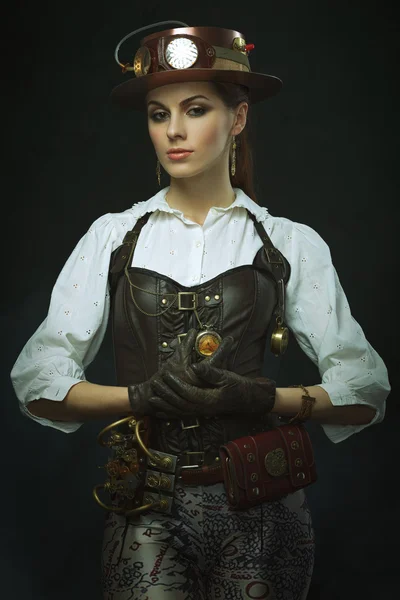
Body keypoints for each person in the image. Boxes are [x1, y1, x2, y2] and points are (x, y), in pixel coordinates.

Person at [10, 21, 390, 600]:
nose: (174, 131)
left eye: (194, 110)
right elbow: (38, 381)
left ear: (237, 119)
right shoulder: (113, 238)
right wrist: (135, 398)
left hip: (263, 506)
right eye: (158, 114)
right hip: (145, 503)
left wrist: (264, 399)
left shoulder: (288, 242)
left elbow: (365, 392)